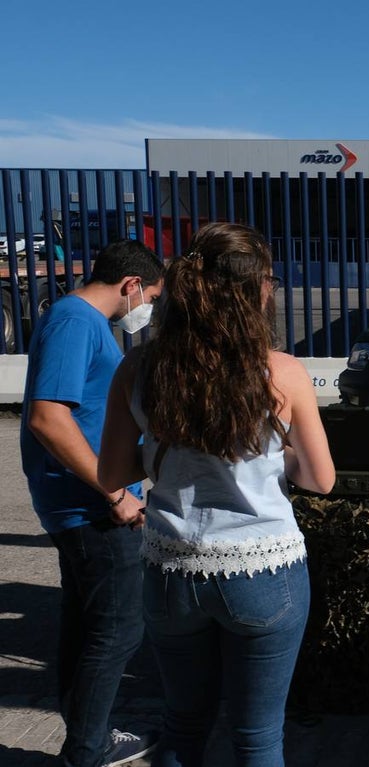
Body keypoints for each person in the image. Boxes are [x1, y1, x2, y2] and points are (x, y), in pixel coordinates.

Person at [97, 222, 335, 767]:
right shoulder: (283, 373)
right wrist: (271, 457)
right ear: (255, 290)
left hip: (171, 569)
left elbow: (112, 471)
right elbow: (320, 479)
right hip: (264, 572)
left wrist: (172, 449)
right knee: (257, 738)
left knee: (183, 726)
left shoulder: (138, 368)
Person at [20, 238, 165, 767]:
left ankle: (88, 732)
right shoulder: (76, 322)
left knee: (86, 622)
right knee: (119, 628)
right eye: (149, 296)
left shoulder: (78, 321)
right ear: (131, 287)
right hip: (91, 506)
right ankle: (87, 748)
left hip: (83, 500)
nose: (147, 309)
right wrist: (116, 494)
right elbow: (47, 418)